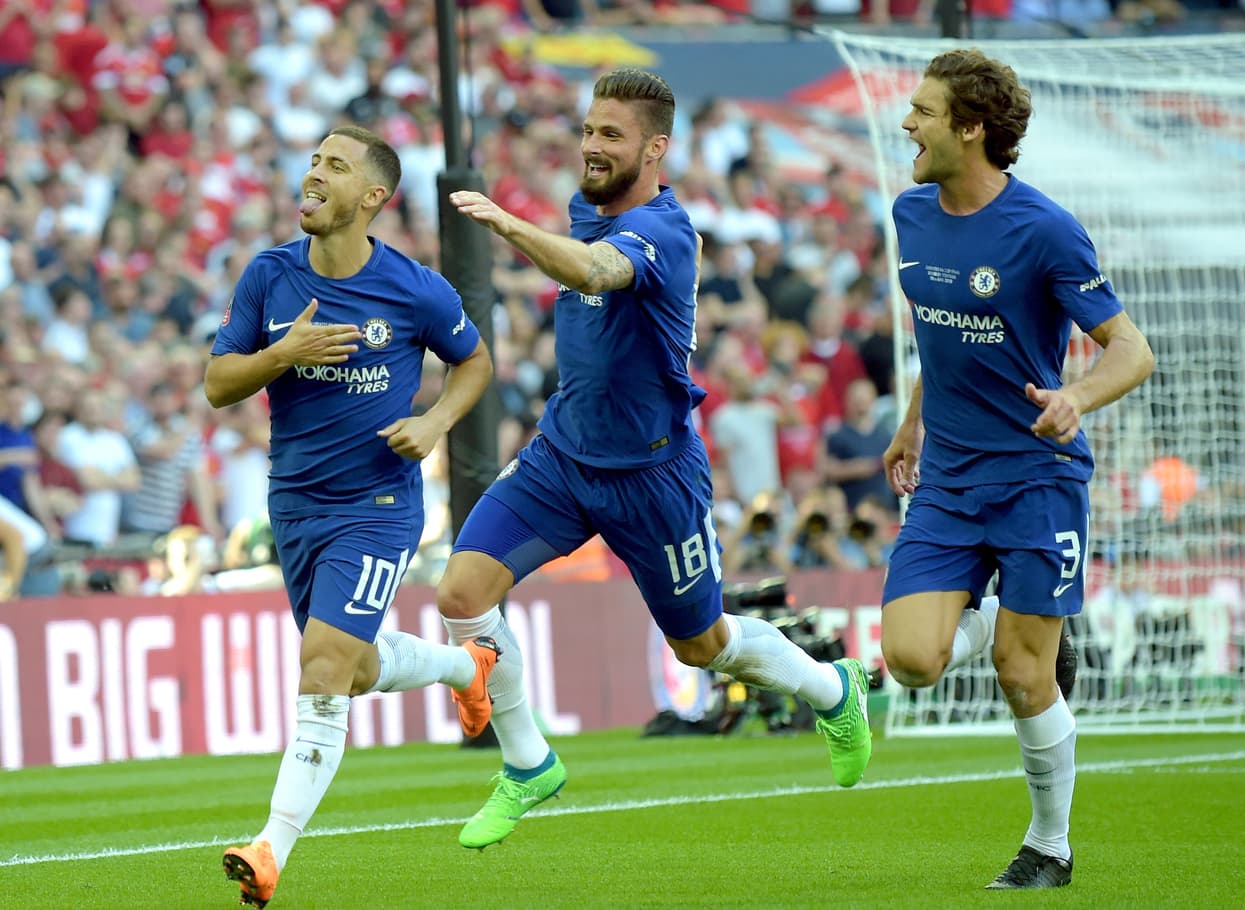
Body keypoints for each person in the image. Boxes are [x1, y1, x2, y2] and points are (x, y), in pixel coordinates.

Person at [438, 68, 872, 851]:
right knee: (462, 589)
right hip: (562, 458)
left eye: (611, 135)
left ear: (656, 148)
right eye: (588, 131)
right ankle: (527, 762)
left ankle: (829, 687)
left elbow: (594, 270)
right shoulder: (587, 207)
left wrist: (506, 225)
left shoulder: (666, 234)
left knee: (701, 645)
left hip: (653, 478)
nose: (593, 147)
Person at [880, 50, 1155, 890]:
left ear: (971, 127)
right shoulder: (911, 212)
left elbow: (1132, 351)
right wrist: (910, 424)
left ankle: (1050, 848)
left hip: (1039, 475)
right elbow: (943, 329)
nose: (907, 124)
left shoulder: (1045, 229)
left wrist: (1078, 396)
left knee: (1022, 672)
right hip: (951, 478)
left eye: (924, 112)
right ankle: (1008, 607)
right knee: (910, 660)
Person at [207, 125, 500, 909]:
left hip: (376, 508)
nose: (313, 174)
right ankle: (461, 667)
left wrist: (436, 425)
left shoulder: (414, 289)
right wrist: (280, 355)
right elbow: (216, 383)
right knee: (356, 667)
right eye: (312, 161)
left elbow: (475, 361)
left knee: (325, 666)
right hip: (294, 506)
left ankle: (272, 849)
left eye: (333, 166)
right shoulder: (268, 277)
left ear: (373, 196)